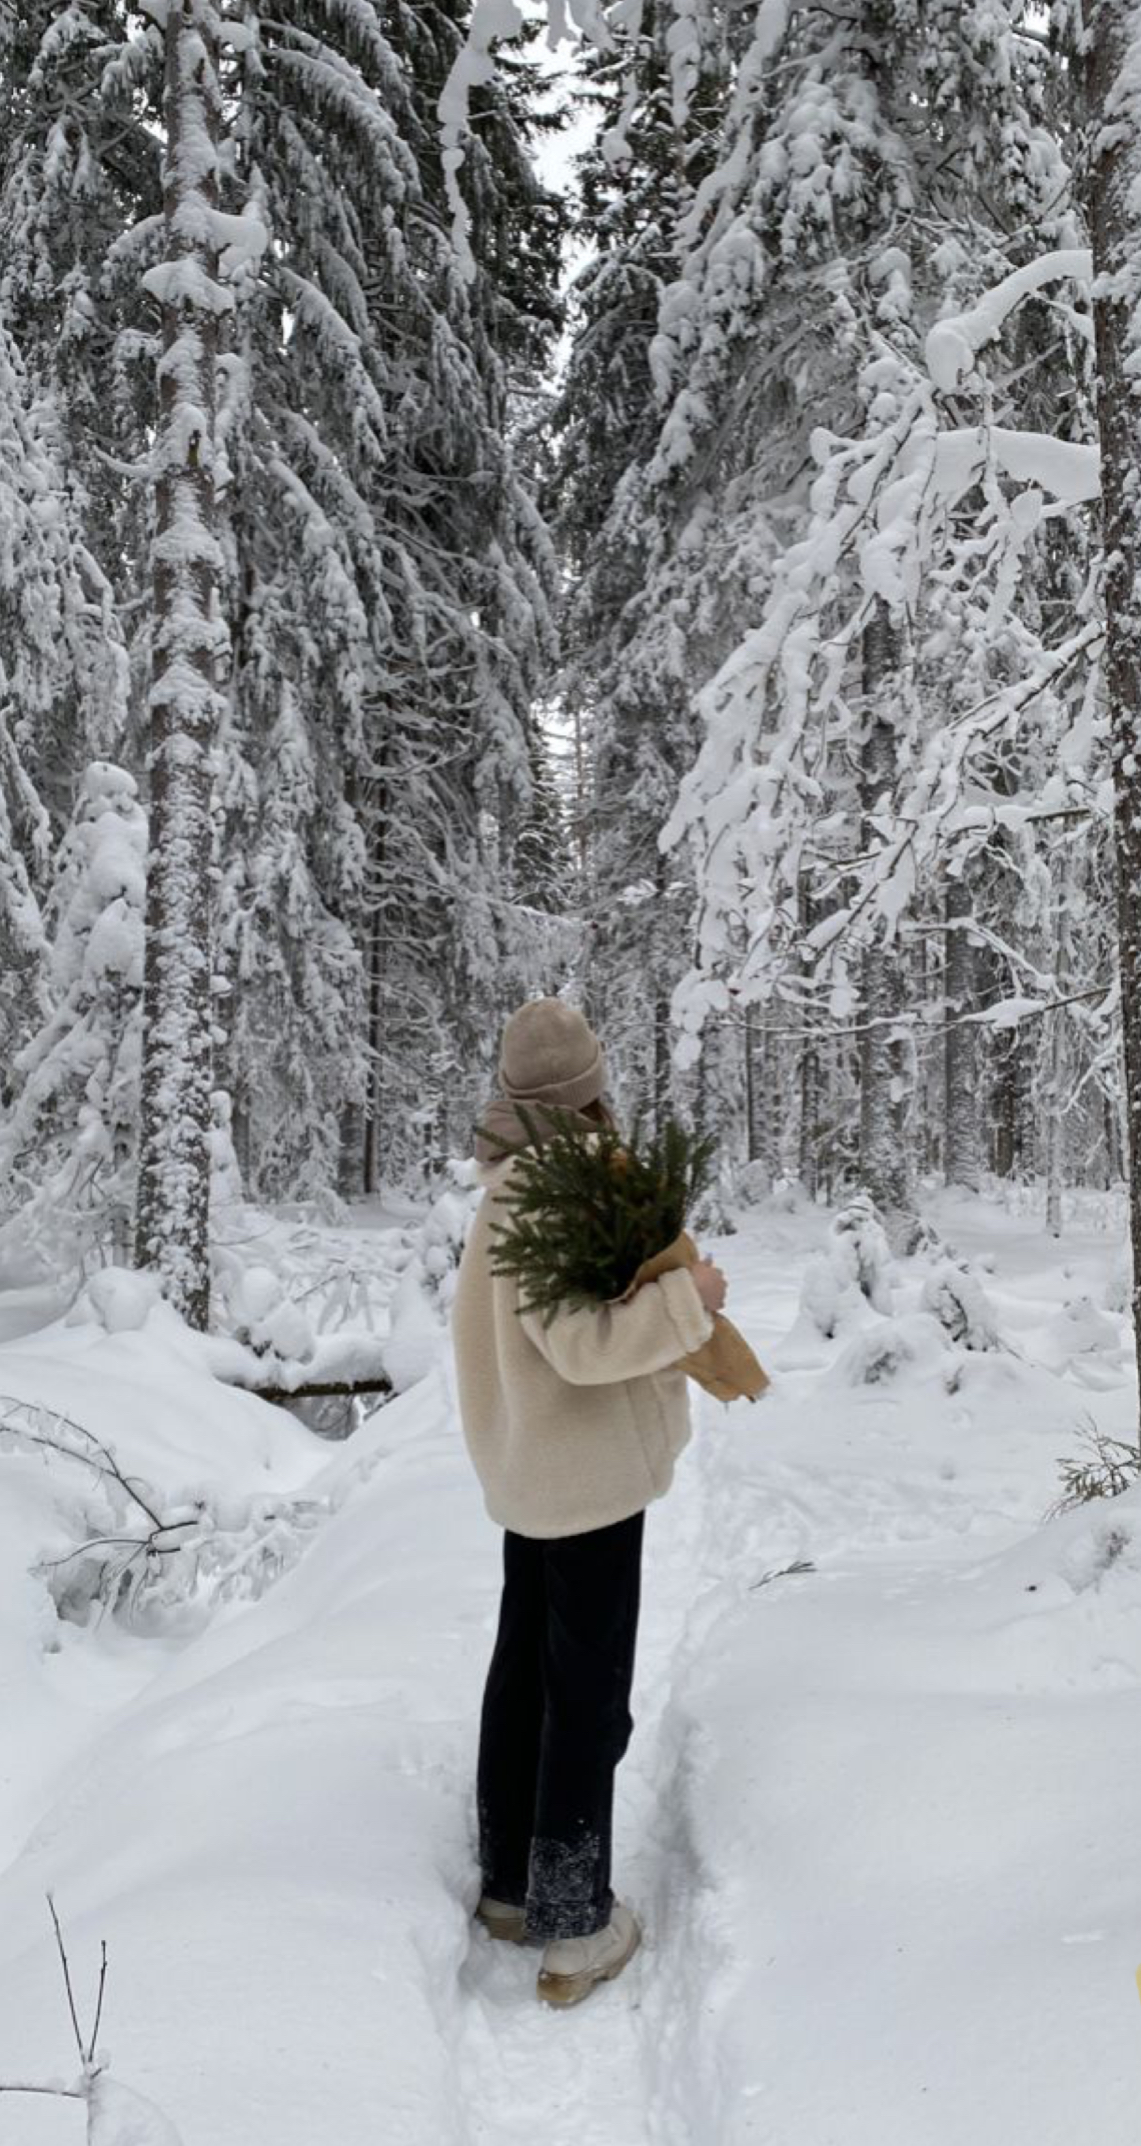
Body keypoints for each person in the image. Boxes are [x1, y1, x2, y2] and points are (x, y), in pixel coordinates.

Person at [451, 997, 728, 2008]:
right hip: (586, 1483)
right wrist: (690, 1297)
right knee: (584, 1696)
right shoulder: (557, 1190)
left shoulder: (505, 1185)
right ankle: (574, 1927)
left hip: (533, 1475)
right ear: (588, 1090)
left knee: (524, 1674)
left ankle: (512, 1887)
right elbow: (580, 1344)